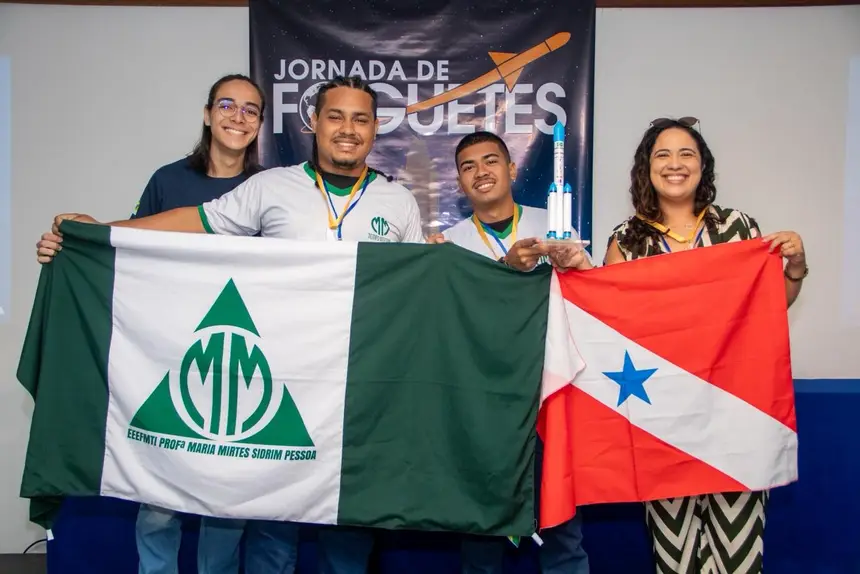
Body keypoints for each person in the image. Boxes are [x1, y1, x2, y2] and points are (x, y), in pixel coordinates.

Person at [36, 75, 425, 574]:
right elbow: (194, 222)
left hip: (358, 390)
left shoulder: (399, 202)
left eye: (360, 118)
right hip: (283, 384)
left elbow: (421, 287)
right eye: (335, 115)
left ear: (374, 129)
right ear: (313, 123)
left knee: (348, 533)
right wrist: (100, 232)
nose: (347, 128)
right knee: (271, 528)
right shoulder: (270, 187)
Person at [36, 72, 300, 574]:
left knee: (226, 501)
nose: (237, 117)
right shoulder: (168, 180)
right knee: (159, 499)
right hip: (171, 355)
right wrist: (75, 243)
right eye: (227, 105)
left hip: (242, 357)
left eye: (250, 109)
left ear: (261, 123)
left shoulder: (273, 188)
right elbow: (130, 249)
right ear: (207, 114)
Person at [603, 116, 807, 574]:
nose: (675, 164)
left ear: (702, 166)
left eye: (686, 154)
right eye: (663, 155)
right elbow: (609, 326)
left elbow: (772, 306)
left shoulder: (739, 228)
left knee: (738, 557)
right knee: (675, 560)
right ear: (646, 168)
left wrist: (795, 266)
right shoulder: (627, 240)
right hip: (664, 423)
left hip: (737, 415)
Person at [428, 130, 591, 574]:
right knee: (481, 539)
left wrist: (577, 265)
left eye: (491, 161)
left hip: (547, 398)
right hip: (479, 409)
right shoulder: (449, 246)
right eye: (468, 166)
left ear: (512, 168)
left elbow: (587, 303)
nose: (481, 172)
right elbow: (440, 327)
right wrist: (502, 269)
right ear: (459, 183)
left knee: (563, 534)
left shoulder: (552, 224)